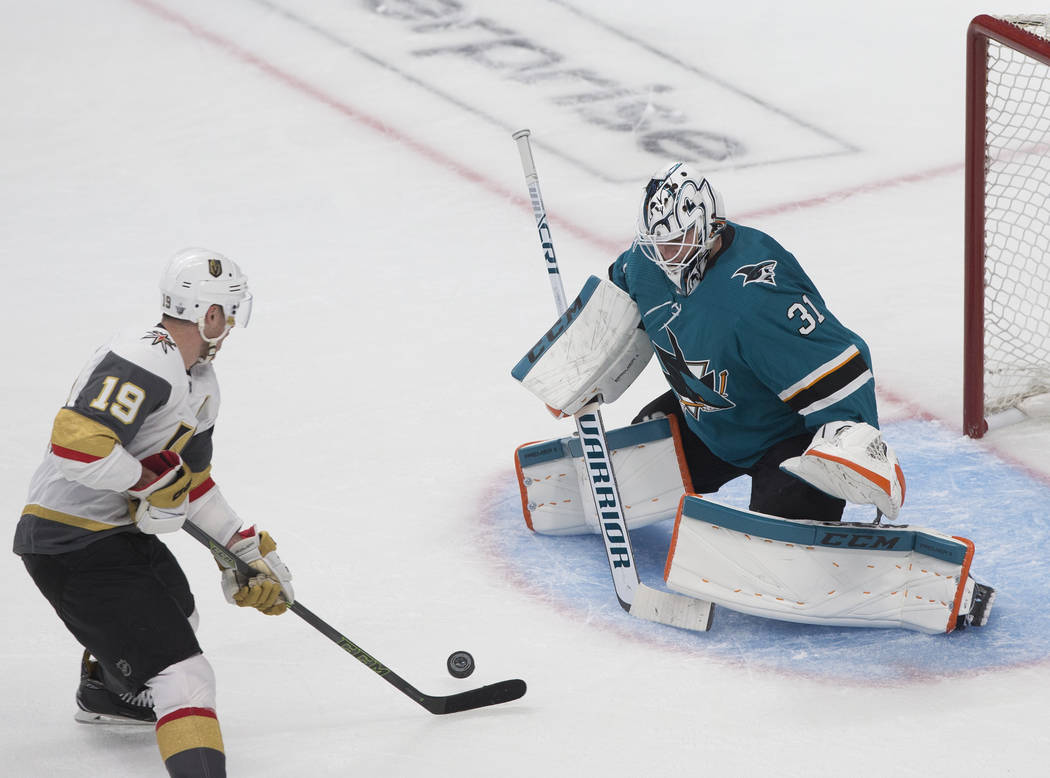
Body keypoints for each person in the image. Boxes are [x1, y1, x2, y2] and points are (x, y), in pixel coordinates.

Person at [13, 248, 294, 778]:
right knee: (186, 678)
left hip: (113, 534)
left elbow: (193, 484)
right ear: (209, 315)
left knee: (178, 614)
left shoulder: (201, 383)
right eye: (229, 312)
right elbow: (76, 443)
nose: (232, 324)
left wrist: (241, 548)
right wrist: (147, 482)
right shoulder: (146, 358)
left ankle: (108, 691)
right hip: (68, 541)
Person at [610, 162, 905, 523]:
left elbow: (840, 367)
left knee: (783, 512)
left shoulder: (757, 295)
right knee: (637, 453)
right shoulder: (645, 264)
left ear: (708, 226)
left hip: (785, 438)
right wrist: (576, 370)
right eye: (657, 242)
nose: (664, 254)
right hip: (714, 415)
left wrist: (852, 440)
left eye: (676, 240)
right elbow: (611, 308)